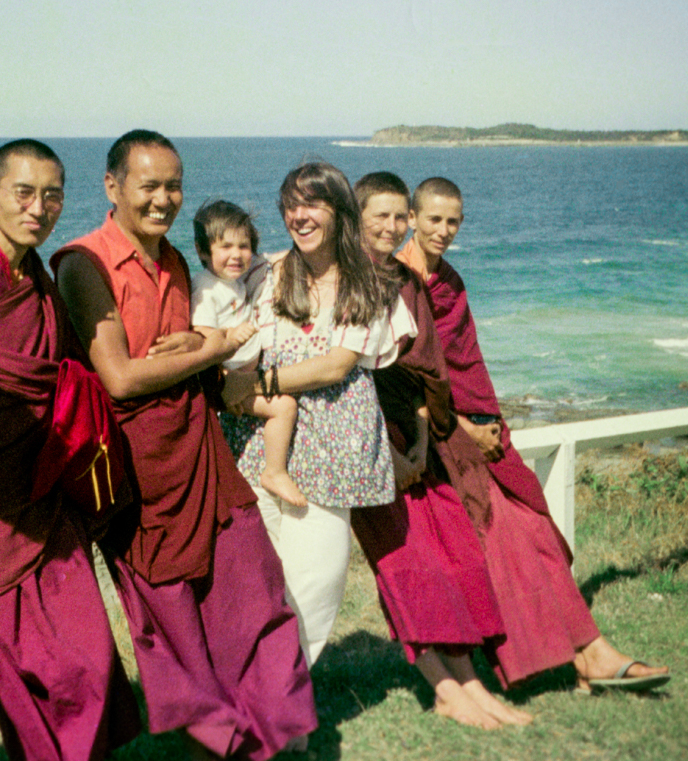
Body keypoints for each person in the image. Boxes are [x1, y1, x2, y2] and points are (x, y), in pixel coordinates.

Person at [52, 130, 317, 760]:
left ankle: (275, 733)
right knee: (173, 621)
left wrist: (202, 344)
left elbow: (188, 348)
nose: (164, 199)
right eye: (149, 185)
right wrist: (213, 346)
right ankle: (217, 745)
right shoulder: (83, 263)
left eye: (174, 186)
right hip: (138, 470)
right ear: (113, 186)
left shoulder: (173, 259)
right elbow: (120, 377)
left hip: (200, 450)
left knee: (253, 588)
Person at [0, 139, 140, 761]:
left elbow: (69, 371)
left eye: (53, 195)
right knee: (25, 677)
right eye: (24, 193)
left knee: (91, 659)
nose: (39, 208)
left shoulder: (39, 275)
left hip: (46, 490)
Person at [399, 176, 671, 694]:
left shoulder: (450, 282)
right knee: (504, 537)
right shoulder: (396, 282)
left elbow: (466, 365)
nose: (444, 230)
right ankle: (576, 656)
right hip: (429, 435)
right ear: (412, 218)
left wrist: (487, 425)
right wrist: (463, 430)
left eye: (453, 221)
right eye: (433, 219)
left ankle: (591, 652)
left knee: (536, 528)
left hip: (475, 426)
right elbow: (402, 377)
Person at [349, 171, 530, 728]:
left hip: (416, 440)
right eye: (378, 216)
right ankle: (447, 690)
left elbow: (431, 374)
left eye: (397, 216)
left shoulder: (406, 281)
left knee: (453, 560)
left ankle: (470, 683)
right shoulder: (343, 279)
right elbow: (347, 379)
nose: (390, 227)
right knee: (407, 568)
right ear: (355, 218)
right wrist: (389, 454)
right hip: (364, 443)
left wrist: (422, 443)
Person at [220, 162, 416, 668]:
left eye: (313, 204)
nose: (299, 216)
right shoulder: (265, 271)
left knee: (314, 583)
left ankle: (284, 688)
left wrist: (256, 386)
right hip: (260, 442)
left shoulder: (366, 281)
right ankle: (259, 691)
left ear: (339, 210)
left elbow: (336, 364)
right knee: (258, 577)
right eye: (291, 205)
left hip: (333, 445)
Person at [189, 199, 305, 507]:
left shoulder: (233, 280)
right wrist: (230, 337)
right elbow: (201, 333)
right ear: (202, 251)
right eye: (225, 246)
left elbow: (269, 259)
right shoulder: (206, 287)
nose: (237, 254)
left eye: (244, 246)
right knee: (285, 407)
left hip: (242, 375)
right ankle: (274, 472)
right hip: (227, 378)